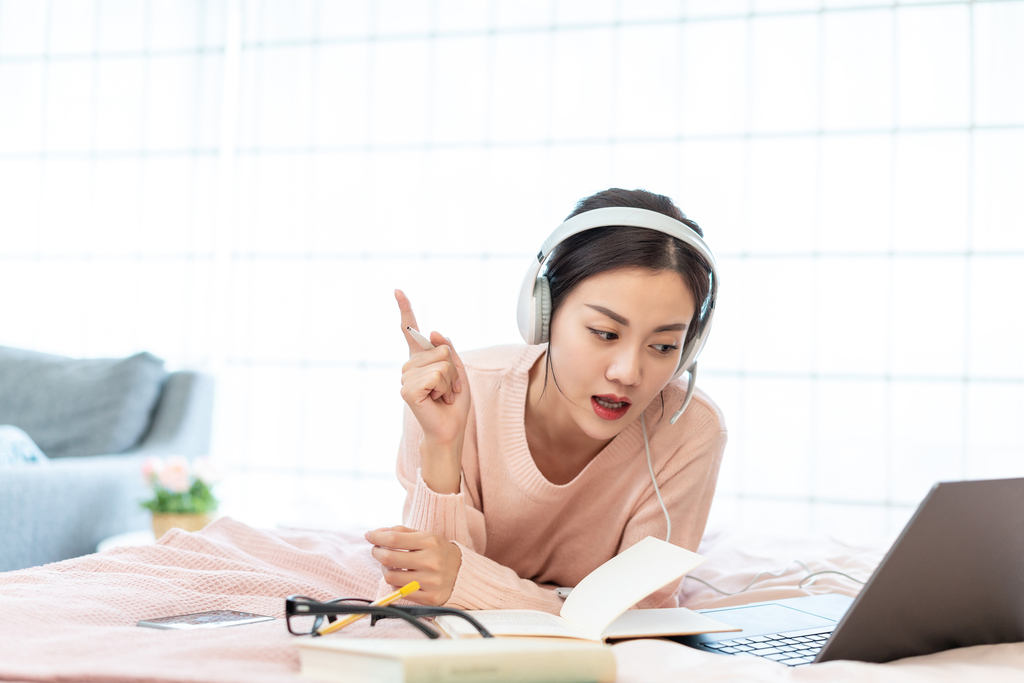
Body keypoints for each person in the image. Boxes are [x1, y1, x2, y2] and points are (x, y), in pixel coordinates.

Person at [364, 188, 727, 614]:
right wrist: (443, 444)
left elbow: (638, 610)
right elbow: (424, 589)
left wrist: (468, 582)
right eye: (606, 334)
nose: (628, 373)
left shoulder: (691, 430)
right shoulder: (459, 394)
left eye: (664, 346)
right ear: (543, 312)